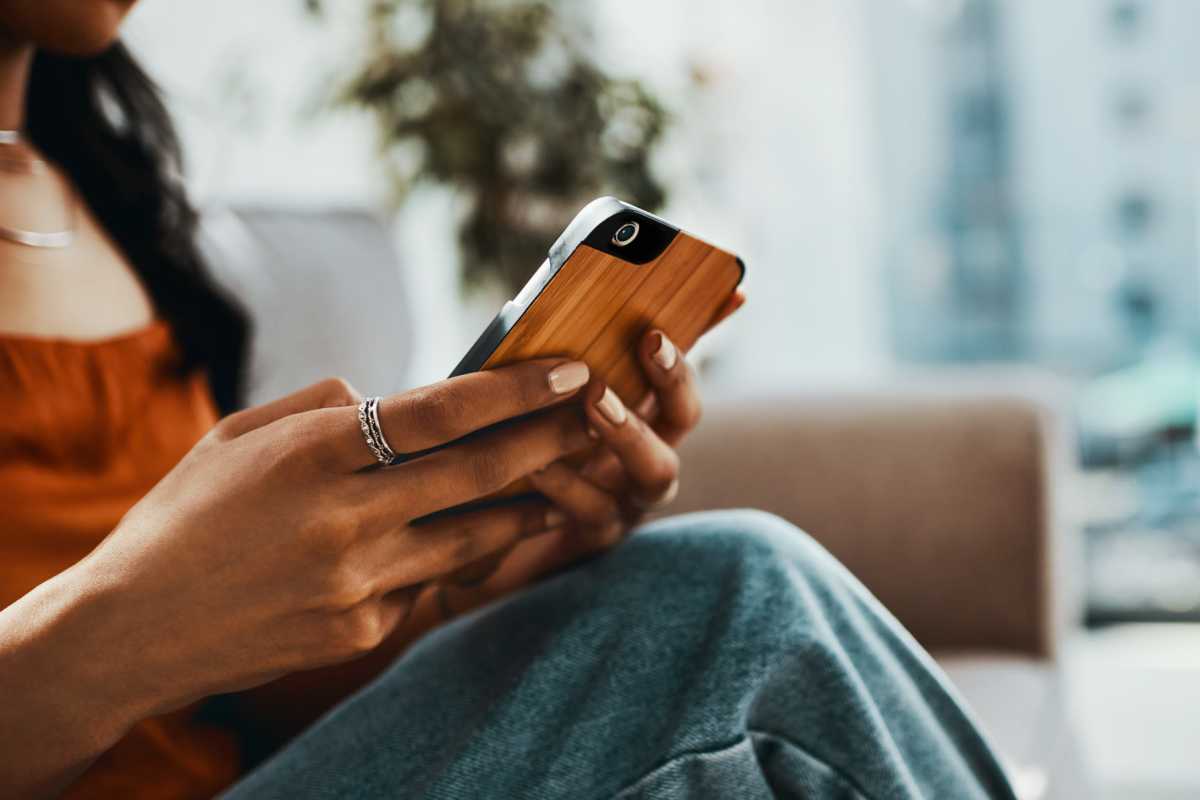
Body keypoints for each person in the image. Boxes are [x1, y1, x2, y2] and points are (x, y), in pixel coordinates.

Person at [0, 2, 1018, 798]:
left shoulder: (101, 191)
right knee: (742, 599)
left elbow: (219, 704)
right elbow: (142, 645)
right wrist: (122, 626)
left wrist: (462, 580)